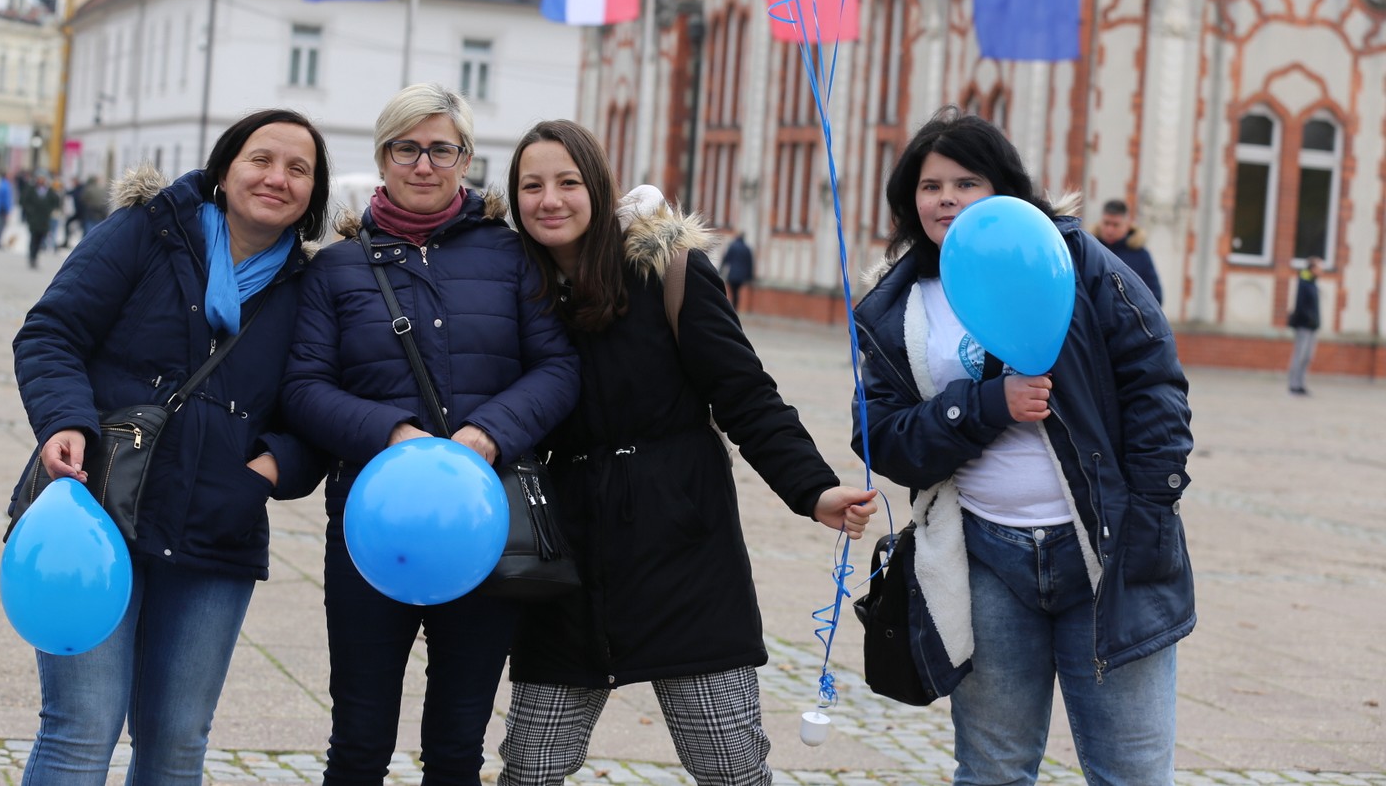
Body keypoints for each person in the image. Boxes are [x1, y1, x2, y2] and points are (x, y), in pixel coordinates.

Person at [499, 120, 879, 786]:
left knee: (730, 766)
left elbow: (746, 394)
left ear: (599, 186)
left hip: (683, 548)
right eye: (531, 185)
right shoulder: (510, 289)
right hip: (563, 560)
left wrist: (813, 488)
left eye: (567, 181)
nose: (549, 199)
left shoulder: (664, 270)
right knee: (531, 768)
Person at [851, 106, 1194, 785]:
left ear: (1003, 187)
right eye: (929, 184)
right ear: (908, 200)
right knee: (993, 770)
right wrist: (983, 406)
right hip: (985, 560)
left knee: (1129, 769)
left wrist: (1150, 522)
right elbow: (883, 438)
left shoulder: (1073, 262)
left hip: (1106, 555)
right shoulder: (897, 308)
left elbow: (1157, 389)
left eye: (966, 181)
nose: (946, 196)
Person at [10, 108, 333, 785]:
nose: (277, 177)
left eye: (298, 168)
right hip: (96, 508)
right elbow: (51, 332)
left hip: (215, 528)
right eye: (261, 159)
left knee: (177, 742)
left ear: (313, 193)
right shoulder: (148, 231)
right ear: (224, 168)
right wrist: (65, 419)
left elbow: (317, 406)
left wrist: (269, 469)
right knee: (81, 727)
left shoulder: (313, 288)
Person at [281, 83, 579, 785]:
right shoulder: (337, 268)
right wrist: (392, 434)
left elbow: (559, 368)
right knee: (358, 739)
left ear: (466, 159)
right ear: (383, 157)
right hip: (371, 526)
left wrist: (489, 430)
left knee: (457, 744)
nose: (423, 164)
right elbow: (303, 387)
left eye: (441, 148)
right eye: (406, 148)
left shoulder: (512, 257)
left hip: (484, 523)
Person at [1093, 198, 1162, 305]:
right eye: (1106, 223)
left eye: (1116, 225)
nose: (1110, 230)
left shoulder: (1140, 255)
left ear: (1127, 225)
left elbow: (1156, 297)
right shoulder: (1090, 249)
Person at [1286, 256, 1322, 396]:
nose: (1321, 271)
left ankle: (1301, 384)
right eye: (1319, 268)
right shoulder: (1304, 282)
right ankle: (1293, 385)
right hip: (1304, 325)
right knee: (1299, 355)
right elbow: (1301, 306)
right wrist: (1309, 319)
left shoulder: (1313, 283)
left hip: (1313, 326)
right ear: (1312, 269)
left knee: (1308, 356)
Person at [20, 173, 61, 268]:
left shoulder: (48, 191)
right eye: (40, 178)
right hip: (34, 219)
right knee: (33, 238)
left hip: (44, 219)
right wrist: (29, 211)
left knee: (40, 239)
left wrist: (49, 210)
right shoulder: (31, 189)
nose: (41, 181)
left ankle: (35, 256)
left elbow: (56, 201)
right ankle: (32, 257)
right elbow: (24, 201)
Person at [719, 230, 755, 309]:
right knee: (737, 291)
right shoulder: (747, 248)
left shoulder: (732, 246)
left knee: (732, 291)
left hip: (732, 274)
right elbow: (750, 263)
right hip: (741, 276)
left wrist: (720, 270)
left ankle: (732, 307)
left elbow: (726, 259)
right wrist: (750, 276)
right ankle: (735, 307)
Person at [0, 174, 14, 250]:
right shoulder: (6, 186)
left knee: (0, 226)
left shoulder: (1, 184)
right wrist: (8, 210)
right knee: (1, 226)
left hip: (0, 208)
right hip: (3, 209)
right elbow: (6, 200)